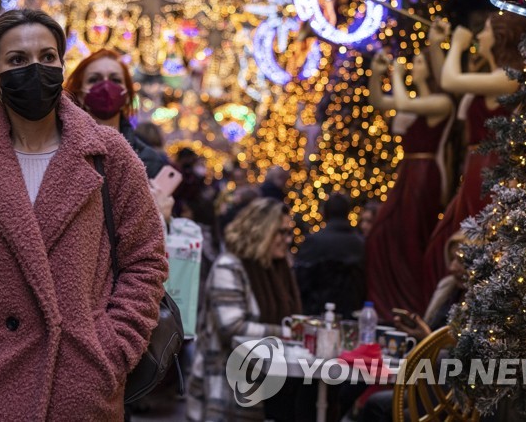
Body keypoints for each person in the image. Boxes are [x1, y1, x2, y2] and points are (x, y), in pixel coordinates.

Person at [0, 9, 167, 420]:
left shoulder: (110, 157)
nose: (35, 69)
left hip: (79, 385)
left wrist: (112, 347)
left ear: (62, 65)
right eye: (17, 60)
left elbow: (145, 260)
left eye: (47, 57)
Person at [424, 14, 526, 289]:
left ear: (501, 38)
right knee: (444, 245)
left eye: (486, 31)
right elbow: (448, 83)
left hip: (490, 171)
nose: (479, 36)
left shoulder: (509, 77)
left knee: (471, 247)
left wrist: (456, 45)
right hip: (474, 171)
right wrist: (437, 45)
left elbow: (451, 81)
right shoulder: (489, 77)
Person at [186, 198, 301, 422]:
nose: (287, 240)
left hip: (272, 378)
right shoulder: (229, 266)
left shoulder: (278, 268)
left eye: (289, 232)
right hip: (228, 380)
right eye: (281, 232)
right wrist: (286, 333)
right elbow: (233, 327)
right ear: (261, 231)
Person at [366, 50, 454, 319]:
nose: (411, 67)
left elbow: (402, 102)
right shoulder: (415, 101)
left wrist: (394, 74)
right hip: (408, 173)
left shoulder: (440, 102)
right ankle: (394, 304)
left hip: (425, 174)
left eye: (417, 62)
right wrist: (377, 73)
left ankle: (414, 304)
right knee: (385, 232)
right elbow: (378, 100)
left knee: (413, 235)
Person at [357, 232, 471, 422]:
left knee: (383, 407)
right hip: (427, 381)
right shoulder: (449, 289)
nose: (452, 267)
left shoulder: (482, 300)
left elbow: (460, 353)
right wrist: (418, 333)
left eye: (460, 260)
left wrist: (426, 336)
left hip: (450, 391)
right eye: (451, 259)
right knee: (374, 404)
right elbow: (434, 334)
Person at [64, 48, 172, 219]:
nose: (106, 87)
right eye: (94, 79)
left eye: (115, 80)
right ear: (79, 94)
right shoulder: (59, 150)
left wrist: (163, 218)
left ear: (127, 95)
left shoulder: (147, 159)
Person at [294, 193, 366, 317]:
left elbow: (300, 281)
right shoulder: (360, 244)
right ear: (348, 213)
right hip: (350, 312)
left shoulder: (313, 242)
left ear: (324, 213)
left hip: (314, 311)